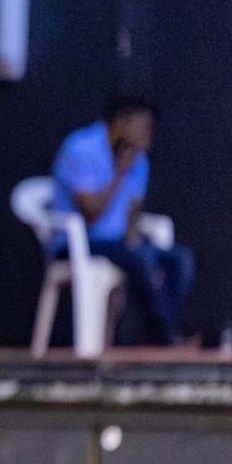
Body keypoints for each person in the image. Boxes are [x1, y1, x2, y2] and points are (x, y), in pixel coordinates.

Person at [51, 91, 195, 346]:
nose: (147, 134)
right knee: (138, 258)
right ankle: (166, 339)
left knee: (178, 259)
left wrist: (136, 241)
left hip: (117, 243)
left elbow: (131, 220)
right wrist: (119, 172)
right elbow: (91, 214)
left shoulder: (138, 161)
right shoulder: (80, 148)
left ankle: (166, 331)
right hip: (76, 241)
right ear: (120, 121)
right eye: (142, 126)